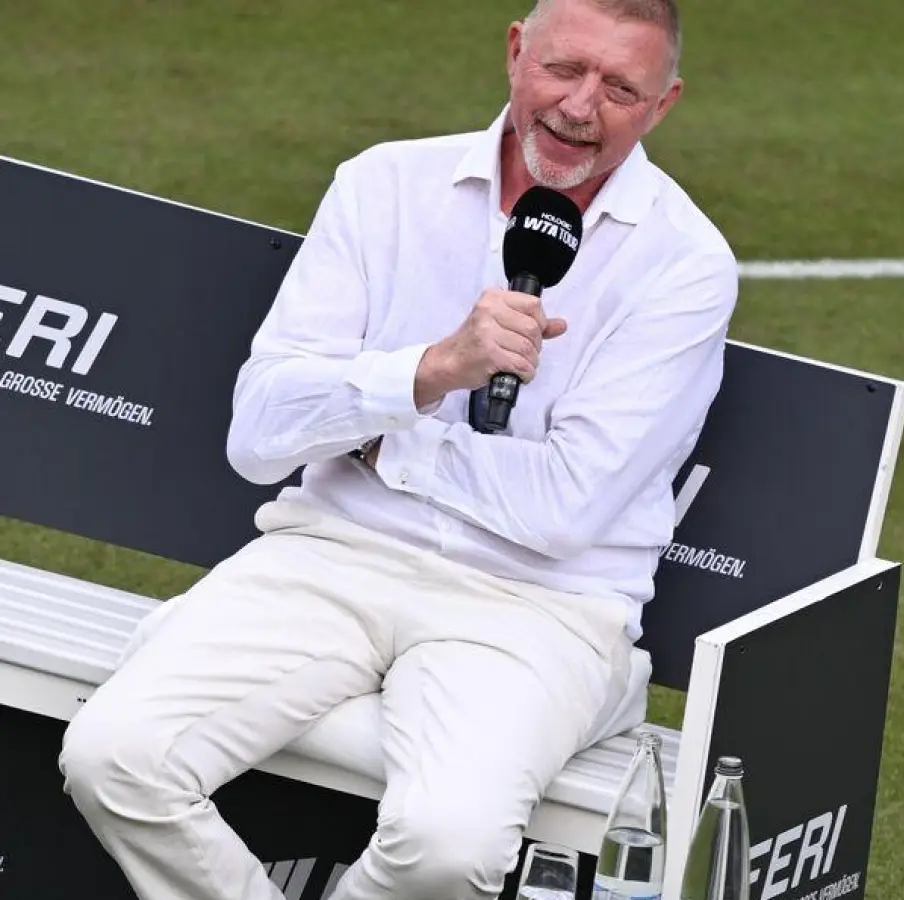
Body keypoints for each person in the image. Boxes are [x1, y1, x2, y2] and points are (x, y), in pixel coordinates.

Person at [56, 1, 734, 898]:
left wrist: (382, 446)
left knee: (449, 843)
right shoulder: (385, 186)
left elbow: (563, 511)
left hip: (539, 607)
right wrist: (429, 372)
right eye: (563, 70)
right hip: (330, 554)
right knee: (115, 756)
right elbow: (260, 434)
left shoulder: (685, 264)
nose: (580, 108)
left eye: (620, 88)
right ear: (513, 51)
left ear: (664, 104)